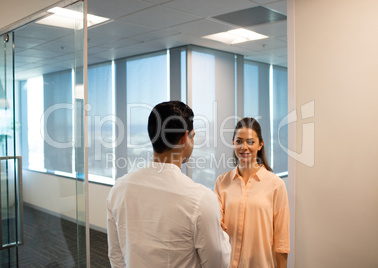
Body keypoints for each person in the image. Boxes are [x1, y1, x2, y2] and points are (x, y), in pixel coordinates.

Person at [107, 101, 231, 268]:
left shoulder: (119, 189)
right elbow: (219, 264)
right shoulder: (200, 199)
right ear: (184, 139)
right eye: (192, 136)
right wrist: (220, 234)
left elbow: (116, 257)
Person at [214, 117, 290, 268]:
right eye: (239, 141)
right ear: (233, 142)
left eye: (250, 142)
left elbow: (281, 242)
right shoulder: (221, 182)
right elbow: (216, 224)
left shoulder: (276, 185)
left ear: (260, 144)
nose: (244, 147)